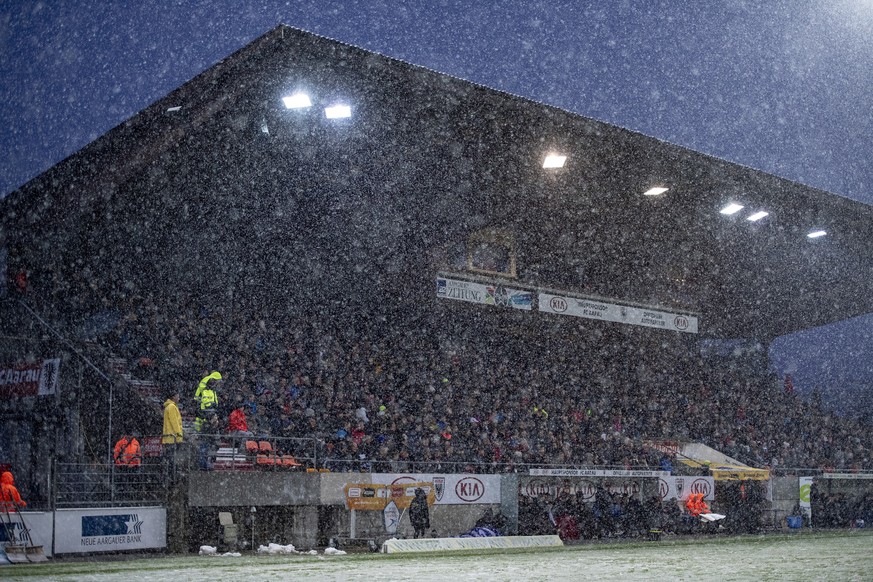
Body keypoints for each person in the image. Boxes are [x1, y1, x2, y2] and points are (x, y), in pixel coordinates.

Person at [163, 389, 184, 478]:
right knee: (173, 458)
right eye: (177, 396)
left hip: (169, 437)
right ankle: (173, 475)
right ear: (173, 397)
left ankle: (172, 474)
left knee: (170, 458)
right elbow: (174, 422)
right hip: (172, 438)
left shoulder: (169, 407)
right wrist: (179, 434)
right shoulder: (172, 407)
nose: (179, 398)